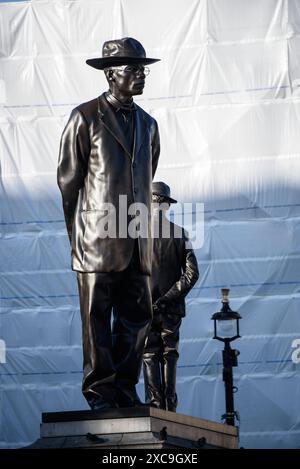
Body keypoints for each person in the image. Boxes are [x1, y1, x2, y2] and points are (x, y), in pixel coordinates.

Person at [57, 37, 160, 411]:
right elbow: (69, 181)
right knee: (96, 319)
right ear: (110, 74)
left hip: (136, 237)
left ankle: (125, 387)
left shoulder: (149, 124)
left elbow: (145, 177)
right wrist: (79, 235)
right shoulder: (84, 116)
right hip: (96, 239)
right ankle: (100, 391)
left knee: (137, 318)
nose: (141, 76)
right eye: (133, 69)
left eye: (142, 69)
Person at [143, 182, 199, 412]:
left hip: (146, 307)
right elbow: (192, 274)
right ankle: (169, 406)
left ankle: (155, 405)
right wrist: (168, 298)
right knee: (169, 352)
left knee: (149, 353)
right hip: (171, 307)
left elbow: (128, 275)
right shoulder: (180, 234)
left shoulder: (136, 235)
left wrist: (147, 301)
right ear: (166, 205)